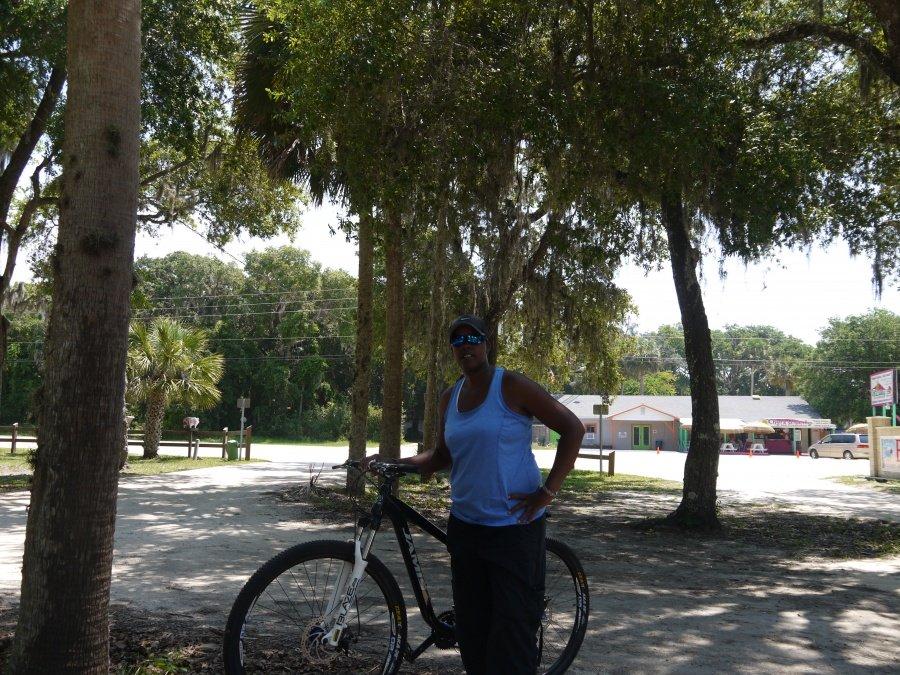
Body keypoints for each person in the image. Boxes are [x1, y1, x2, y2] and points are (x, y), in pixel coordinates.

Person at [364, 314, 584, 674]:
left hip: (514, 530)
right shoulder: (450, 397)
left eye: (472, 338)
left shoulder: (511, 385)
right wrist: (392, 463)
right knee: (473, 634)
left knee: (512, 639)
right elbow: (441, 456)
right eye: (457, 341)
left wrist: (547, 491)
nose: (464, 345)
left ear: (485, 343)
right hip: (466, 530)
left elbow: (571, 428)